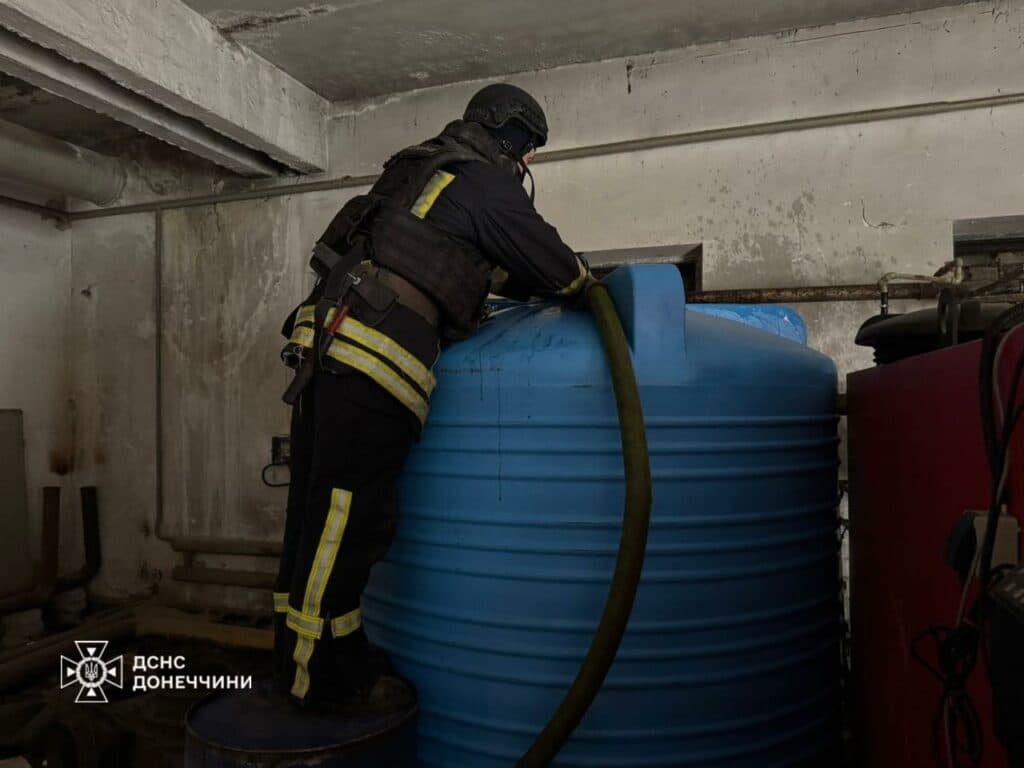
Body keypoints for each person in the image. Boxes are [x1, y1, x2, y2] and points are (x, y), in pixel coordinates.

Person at [272, 83, 591, 713]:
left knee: (315, 515)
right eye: (526, 146)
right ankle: (315, 678)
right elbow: (558, 269)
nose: (525, 161)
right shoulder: (480, 181)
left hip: (326, 345)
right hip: (373, 356)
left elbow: (459, 263)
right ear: (507, 135)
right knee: (346, 519)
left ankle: (309, 653)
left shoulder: (417, 172)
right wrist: (588, 283)